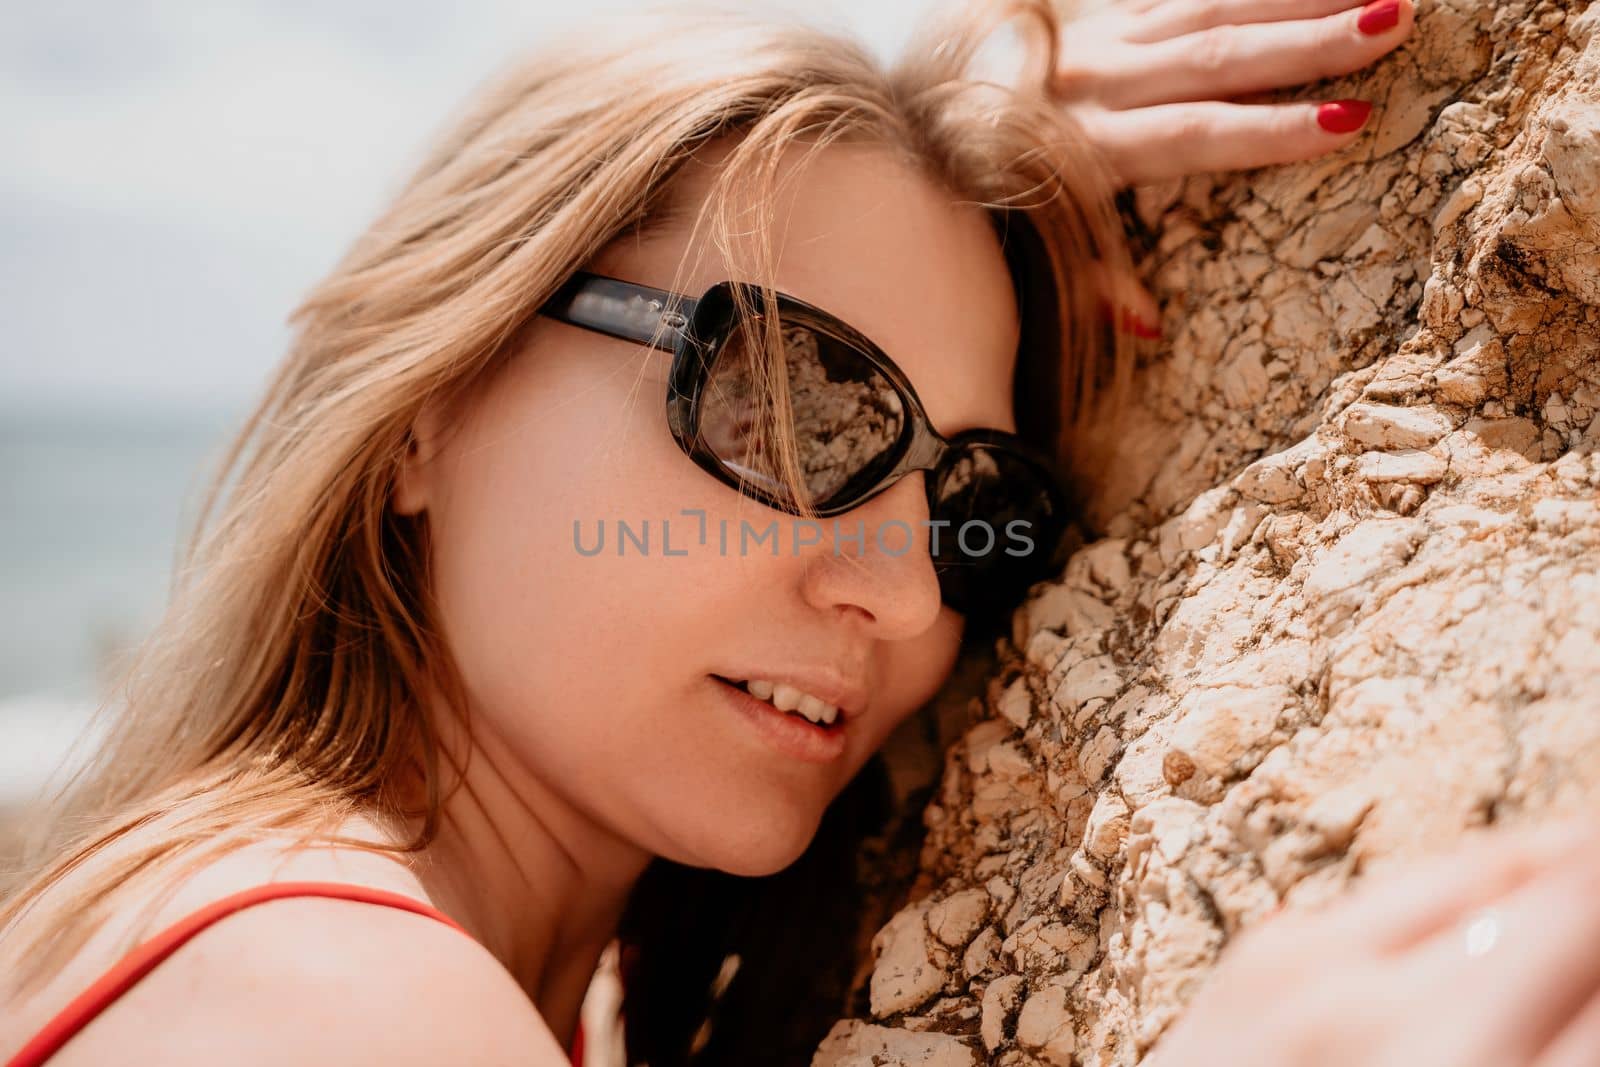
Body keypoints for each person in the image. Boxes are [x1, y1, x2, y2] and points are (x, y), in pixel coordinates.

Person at [6, 1, 1598, 1065]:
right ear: (431, 398)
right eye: (794, 404)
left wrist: (980, 113)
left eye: (983, 506)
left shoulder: (481, 975)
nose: (908, 596)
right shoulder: (330, 1004)